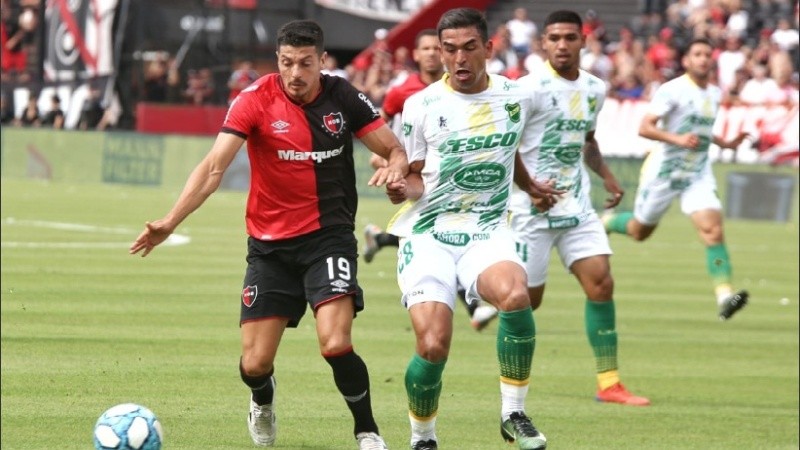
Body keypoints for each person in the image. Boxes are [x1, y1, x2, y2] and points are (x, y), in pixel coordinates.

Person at [129, 19, 407, 450]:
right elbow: (213, 167)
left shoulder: (344, 97)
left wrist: (395, 166)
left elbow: (393, 147)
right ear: (278, 60)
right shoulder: (254, 99)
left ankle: (367, 430)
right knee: (255, 364)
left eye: (306, 63)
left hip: (328, 238)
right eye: (287, 63)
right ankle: (262, 399)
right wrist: (171, 220)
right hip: (270, 248)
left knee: (335, 344)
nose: (296, 73)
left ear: (322, 61)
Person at [387, 8, 555, 450]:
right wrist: (401, 186)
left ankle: (513, 413)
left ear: (488, 48)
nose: (458, 59)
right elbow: (416, 172)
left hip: (487, 229)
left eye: (468, 48)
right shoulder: (421, 105)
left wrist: (530, 186)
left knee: (517, 296)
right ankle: (422, 437)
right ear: (439, 52)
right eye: (449, 50)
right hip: (429, 233)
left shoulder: (516, 97)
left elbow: (507, 149)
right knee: (433, 345)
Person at [510, 10, 650, 407]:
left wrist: (606, 174)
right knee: (525, 301)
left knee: (601, 283)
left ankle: (609, 383)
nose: (561, 45)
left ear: (582, 42)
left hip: (575, 202)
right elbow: (506, 147)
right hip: (529, 210)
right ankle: (478, 294)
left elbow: (586, 139)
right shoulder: (527, 88)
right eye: (553, 38)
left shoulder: (594, 88)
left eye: (569, 38)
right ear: (542, 43)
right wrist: (531, 189)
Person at [603, 38, 750, 321]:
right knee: (639, 231)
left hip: (697, 172)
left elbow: (702, 131)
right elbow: (645, 128)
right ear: (686, 61)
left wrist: (728, 144)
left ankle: (724, 295)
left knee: (713, 231)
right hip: (664, 171)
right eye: (697, 54)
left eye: (708, 54)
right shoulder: (672, 90)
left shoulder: (715, 93)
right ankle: (606, 221)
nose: (703, 59)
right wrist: (677, 139)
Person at [361, 28, 498, 331]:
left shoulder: (463, 88)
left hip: (452, 180)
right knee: (441, 238)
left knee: (439, 238)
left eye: (435, 49)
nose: (431, 55)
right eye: (424, 49)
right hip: (416, 178)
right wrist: (386, 158)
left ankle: (380, 238)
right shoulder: (402, 92)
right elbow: (377, 130)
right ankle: (473, 307)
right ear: (416, 55)